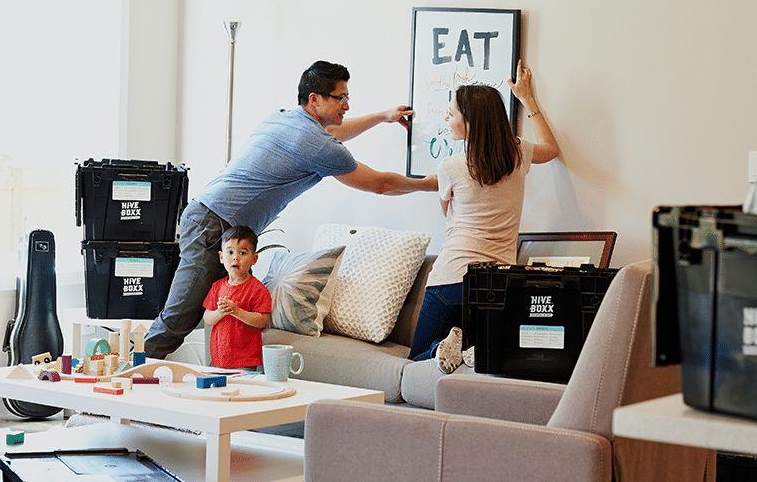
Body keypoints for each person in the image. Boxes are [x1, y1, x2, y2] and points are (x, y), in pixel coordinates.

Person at [145, 60, 438, 358]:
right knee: (180, 316)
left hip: (205, 214)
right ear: (315, 99)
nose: (346, 106)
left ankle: (135, 371)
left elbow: (333, 133)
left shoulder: (284, 118)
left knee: (182, 313)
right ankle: (129, 380)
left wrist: (381, 117)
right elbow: (381, 184)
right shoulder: (319, 145)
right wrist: (429, 183)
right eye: (341, 98)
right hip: (215, 225)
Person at [408, 60, 560, 373]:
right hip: (496, 282)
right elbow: (551, 149)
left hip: (449, 278)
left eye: (453, 111)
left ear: (471, 120)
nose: (447, 116)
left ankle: (448, 348)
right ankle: (471, 349)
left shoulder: (450, 167)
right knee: (486, 356)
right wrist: (527, 99)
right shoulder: (518, 152)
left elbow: (448, 214)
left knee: (417, 358)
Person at [202, 226, 272, 370]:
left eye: (242, 253)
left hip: (245, 362)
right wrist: (219, 313)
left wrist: (237, 311)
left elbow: (263, 320)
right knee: (216, 392)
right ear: (222, 257)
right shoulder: (217, 287)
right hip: (218, 360)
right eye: (230, 252)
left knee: (243, 391)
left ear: (254, 259)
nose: (235, 257)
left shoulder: (257, 289)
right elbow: (207, 318)